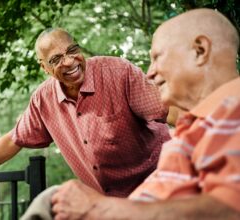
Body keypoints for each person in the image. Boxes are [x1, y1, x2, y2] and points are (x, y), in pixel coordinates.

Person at [47, 8, 240, 219]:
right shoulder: (200, 125)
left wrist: (99, 209)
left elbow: (230, 209)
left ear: (200, 50)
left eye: (157, 57)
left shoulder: (233, 111)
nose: (150, 72)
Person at [0, 28, 171, 197]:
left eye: (72, 51)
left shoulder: (118, 72)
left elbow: (169, 109)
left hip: (158, 185)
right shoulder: (43, 99)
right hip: (106, 201)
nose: (68, 62)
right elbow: (15, 139)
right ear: (44, 68)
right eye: (56, 59)